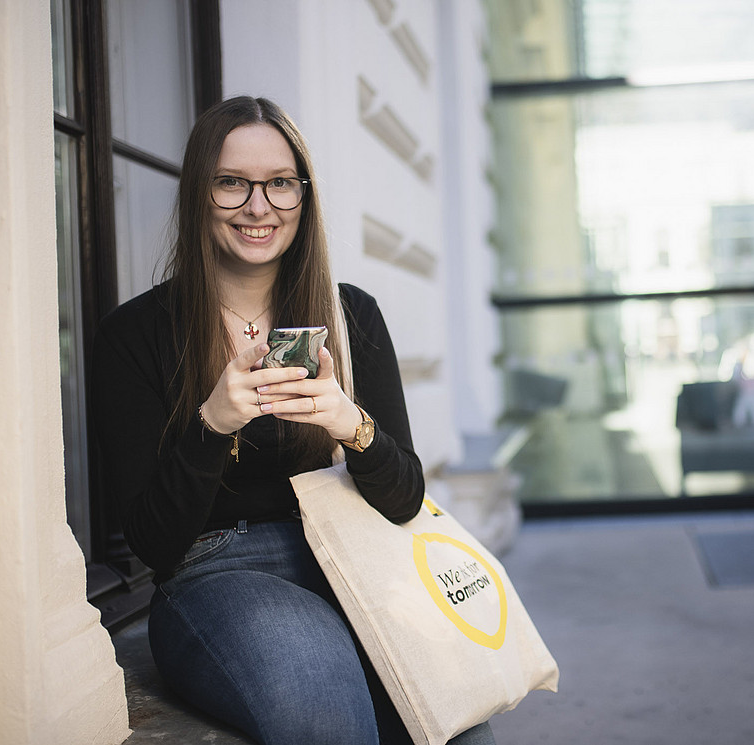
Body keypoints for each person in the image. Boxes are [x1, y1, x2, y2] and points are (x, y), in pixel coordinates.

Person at [91, 96, 497, 745]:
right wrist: (212, 424)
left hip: (349, 554)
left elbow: (406, 499)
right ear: (201, 191)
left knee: (457, 723)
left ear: (303, 195)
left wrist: (348, 422)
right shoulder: (136, 335)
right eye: (233, 183)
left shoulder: (350, 314)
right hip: (214, 573)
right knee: (321, 702)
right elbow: (151, 543)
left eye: (280, 182)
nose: (260, 206)